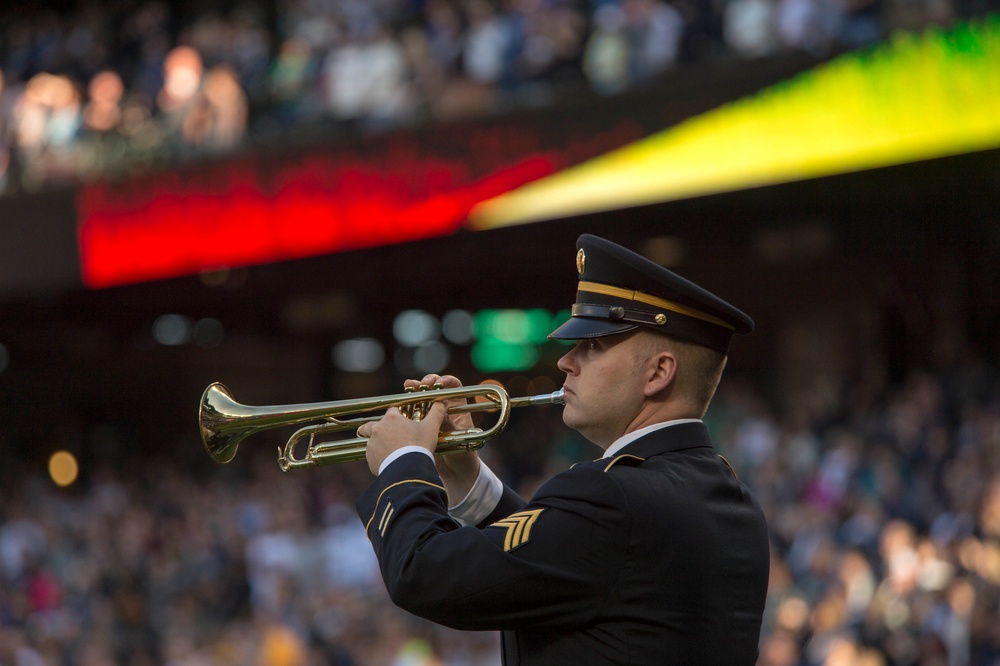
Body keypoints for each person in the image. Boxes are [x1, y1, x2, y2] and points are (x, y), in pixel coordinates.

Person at [355, 234, 770, 664]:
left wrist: (402, 463)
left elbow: (424, 575)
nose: (565, 361)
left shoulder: (613, 496)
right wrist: (466, 476)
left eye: (592, 345)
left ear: (659, 372)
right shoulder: (733, 499)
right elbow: (564, 558)